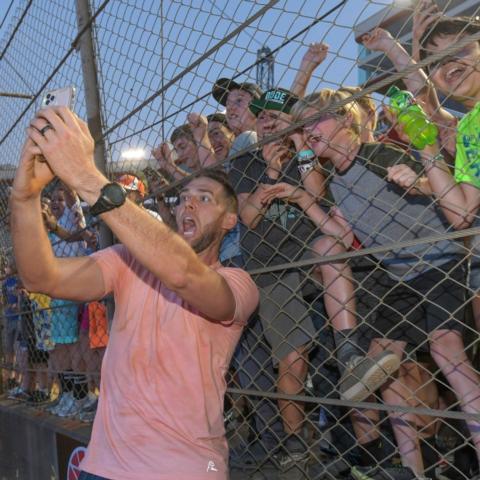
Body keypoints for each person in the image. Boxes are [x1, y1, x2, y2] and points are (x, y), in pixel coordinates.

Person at [11, 106, 259, 480]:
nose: (187, 202)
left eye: (205, 198)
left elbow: (183, 275)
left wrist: (85, 175)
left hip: (187, 469)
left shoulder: (238, 282)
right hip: (102, 464)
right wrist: (24, 196)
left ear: (230, 220)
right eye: (184, 196)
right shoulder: (128, 260)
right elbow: (39, 277)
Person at [292, 88, 480, 479]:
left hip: (441, 263)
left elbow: (436, 185)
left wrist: (418, 181)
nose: (309, 129)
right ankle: (410, 468)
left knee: (447, 352)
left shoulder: (379, 154)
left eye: (317, 120)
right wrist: (304, 187)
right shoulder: (336, 181)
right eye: (303, 124)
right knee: (381, 361)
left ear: (347, 120)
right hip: (400, 278)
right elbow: (339, 237)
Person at [229, 87, 399, 478]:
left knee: (337, 355)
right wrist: (270, 171)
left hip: (313, 258)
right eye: (262, 114)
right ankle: (295, 443)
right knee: (293, 357)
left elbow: (316, 193)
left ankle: (351, 373)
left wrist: (298, 148)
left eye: (277, 114)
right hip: (272, 267)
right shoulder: (247, 161)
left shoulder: (309, 154)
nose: (268, 119)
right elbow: (250, 217)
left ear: (294, 120)